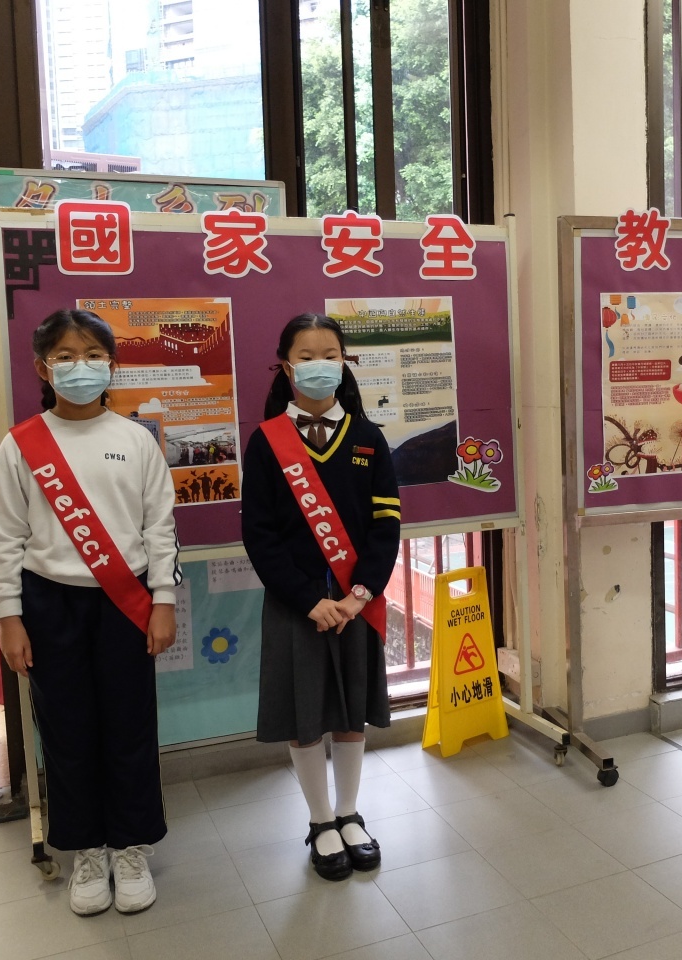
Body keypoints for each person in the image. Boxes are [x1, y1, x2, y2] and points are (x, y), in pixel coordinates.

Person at [0, 308, 180, 915]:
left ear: (111, 364)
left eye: (94, 354)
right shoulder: (22, 444)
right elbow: (3, 537)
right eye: (65, 356)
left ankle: (130, 847)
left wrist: (164, 602)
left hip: (126, 603)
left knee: (130, 727)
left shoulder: (136, 440)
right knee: (66, 732)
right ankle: (87, 852)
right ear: (43, 368)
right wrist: (9, 617)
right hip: (50, 603)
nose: (81, 366)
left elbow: (159, 529)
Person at [241, 313, 401, 882]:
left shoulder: (369, 438)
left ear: (344, 362)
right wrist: (308, 599)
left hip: (356, 605)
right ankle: (319, 819)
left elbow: (386, 526)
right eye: (306, 356)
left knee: (352, 710)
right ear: (286, 366)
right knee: (304, 713)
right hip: (297, 606)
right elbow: (258, 534)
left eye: (329, 355)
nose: (319, 366)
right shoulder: (266, 442)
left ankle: (349, 812)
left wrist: (359, 594)